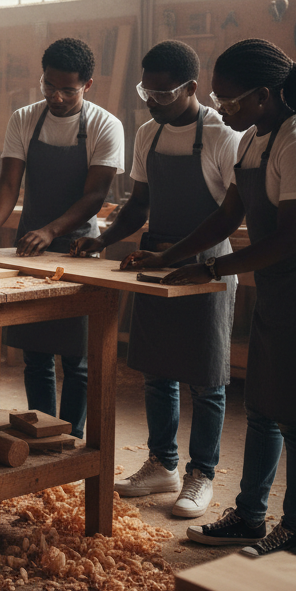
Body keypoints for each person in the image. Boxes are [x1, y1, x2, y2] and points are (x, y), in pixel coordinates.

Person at [125, 37, 296, 558]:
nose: (224, 111)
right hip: (282, 281)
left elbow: (290, 238)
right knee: (261, 408)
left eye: (232, 102)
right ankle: (251, 517)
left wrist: (210, 266)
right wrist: (169, 257)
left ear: (267, 94)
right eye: (220, 101)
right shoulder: (255, 138)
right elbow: (227, 216)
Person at [71, 40, 239, 517]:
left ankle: (200, 473)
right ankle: (162, 464)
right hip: (154, 261)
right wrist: (104, 240)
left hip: (207, 265)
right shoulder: (147, 133)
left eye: (164, 94)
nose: (152, 101)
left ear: (191, 88)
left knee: (207, 379)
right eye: (147, 91)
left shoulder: (223, 136)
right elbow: (139, 206)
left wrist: (173, 255)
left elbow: (228, 219)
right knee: (156, 370)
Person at [0, 38, 123, 437]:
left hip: (78, 250)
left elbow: (95, 195)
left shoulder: (105, 125)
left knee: (77, 359)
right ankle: (43, 435)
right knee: (36, 354)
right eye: (49, 86)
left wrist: (52, 231)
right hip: (30, 252)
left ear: (88, 85)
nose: (57, 96)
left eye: (68, 89)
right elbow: (8, 183)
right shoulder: (25, 119)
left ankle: (71, 438)